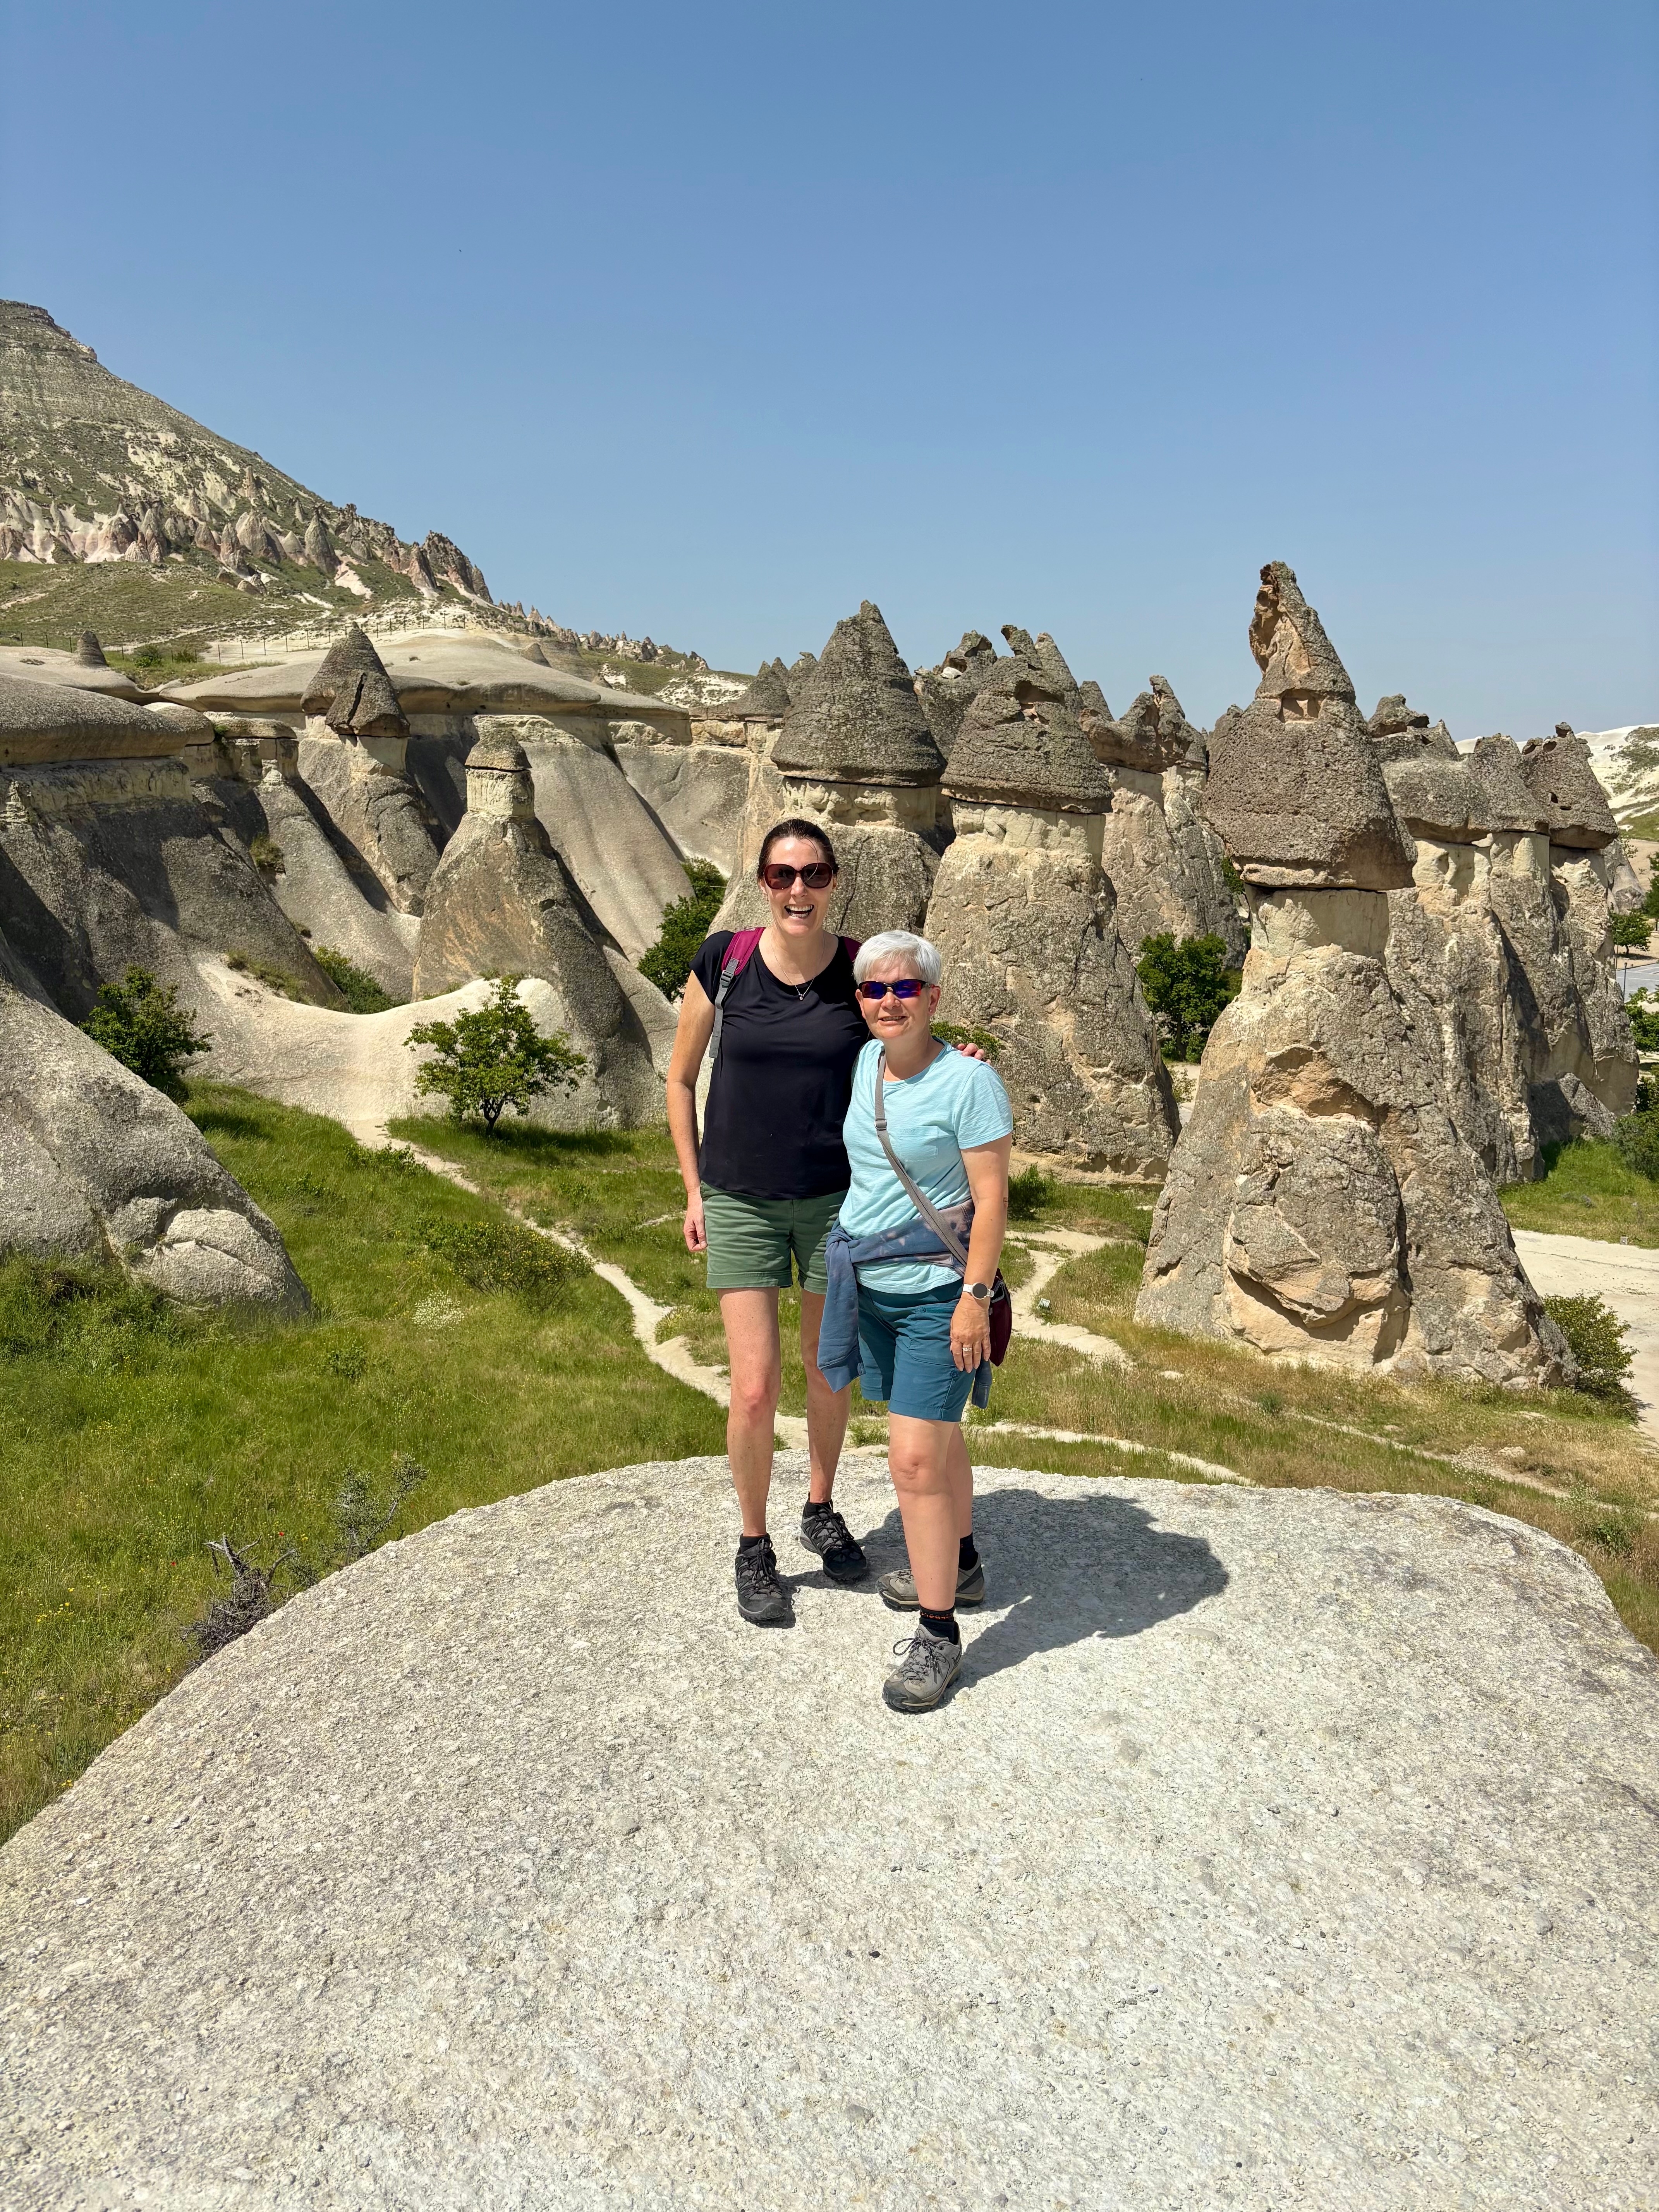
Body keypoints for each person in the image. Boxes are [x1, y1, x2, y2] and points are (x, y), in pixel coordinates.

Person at [664, 819, 874, 1625]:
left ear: (833, 881)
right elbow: (681, 1081)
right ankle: (755, 1544)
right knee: (754, 1388)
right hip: (741, 1197)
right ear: (763, 882)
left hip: (836, 1203)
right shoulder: (726, 962)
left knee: (828, 1371)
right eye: (784, 875)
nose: (799, 890)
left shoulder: (858, 969)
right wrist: (693, 1190)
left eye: (814, 875)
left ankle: (820, 1505)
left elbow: (907, 1048)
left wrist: (964, 1064)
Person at [817, 931, 1012, 1712]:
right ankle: (960, 1565)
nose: (888, 1001)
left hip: (938, 1289)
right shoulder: (866, 1065)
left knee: (915, 1463)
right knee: (937, 1438)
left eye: (905, 989)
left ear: (933, 996)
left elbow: (993, 1200)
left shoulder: (969, 1083)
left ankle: (939, 1633)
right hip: (872, 1282)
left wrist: (975, 1295)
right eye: (874, 990)